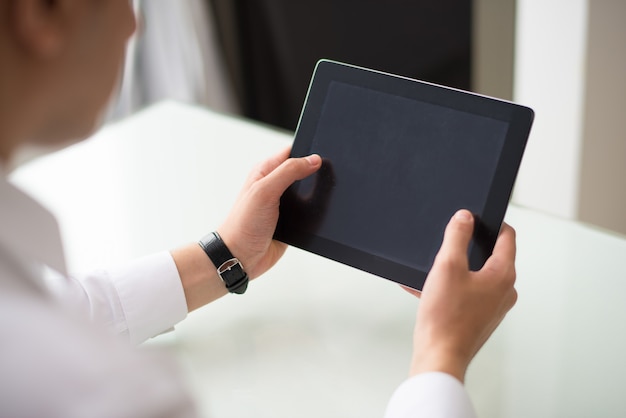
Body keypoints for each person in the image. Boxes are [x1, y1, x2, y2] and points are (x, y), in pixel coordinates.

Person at [0, 1, 517, 417]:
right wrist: (440, 357)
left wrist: (223, 256)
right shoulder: (101, 395)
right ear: (40, 14)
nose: (135, 23)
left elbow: (61, 304)